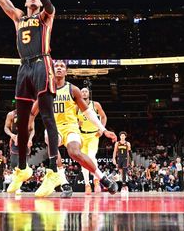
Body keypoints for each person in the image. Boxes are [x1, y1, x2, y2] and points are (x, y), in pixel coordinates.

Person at [0, 0, 60, 193]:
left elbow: (50, 4)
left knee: (47, 116)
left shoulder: (45, 17)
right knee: (23, 122)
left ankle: (53, 172)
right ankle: (22, 169)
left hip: (43, 64)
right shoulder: (18, 17)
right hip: (24, 67)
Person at [31, 60, 118, 197]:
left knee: (74, 153)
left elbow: (88, 112)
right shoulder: (45, 91)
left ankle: (103, 178)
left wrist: (103, 129)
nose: (59, 68)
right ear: (52, 71)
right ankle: (65, 184)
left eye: (62, 66)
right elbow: (32, 113)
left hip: (71, 127)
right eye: (56, 66)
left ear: (66, 71)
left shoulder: (73, 89)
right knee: (50, 138)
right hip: (54, 128)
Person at [77, 84, 108, 194]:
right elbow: (72, 120)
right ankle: (87, 184)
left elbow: (104, 117)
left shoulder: (95, 105)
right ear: (79, 94)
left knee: (91, 157)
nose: (84, 93)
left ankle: (96, 180)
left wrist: (102, 129)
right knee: (82, 161)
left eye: (86, 91)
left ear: (89, 94)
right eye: (82, 91)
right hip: (81, 135)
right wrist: (77, 123)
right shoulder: (76, 106)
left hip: (93, 135)